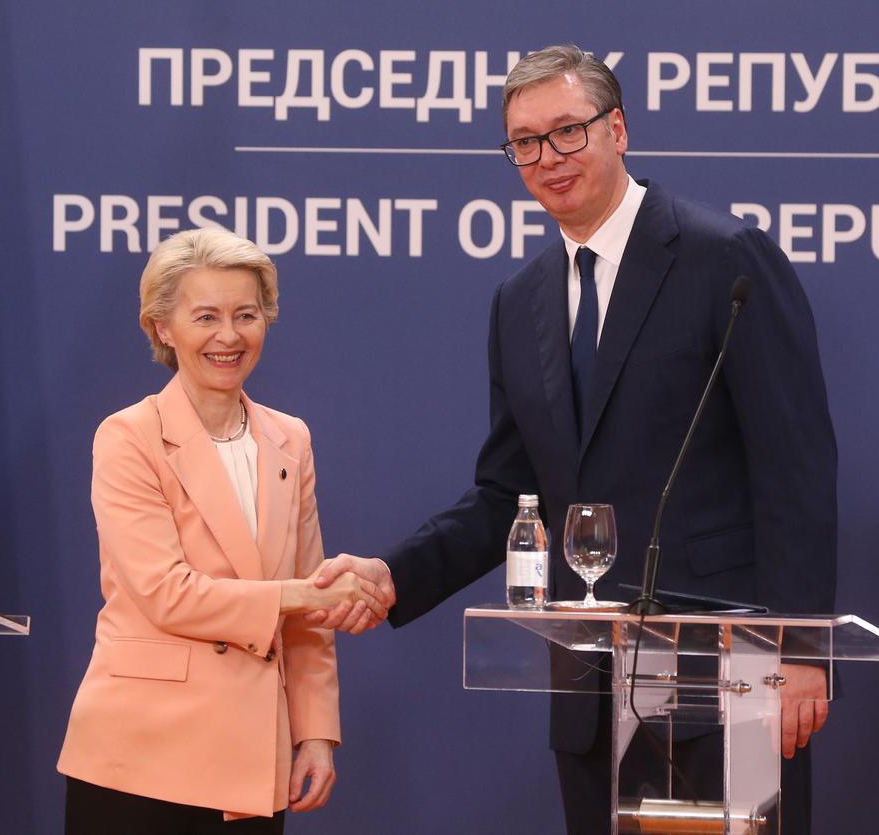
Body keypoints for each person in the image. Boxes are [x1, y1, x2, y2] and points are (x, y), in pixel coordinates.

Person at [313, 45, 839, 833]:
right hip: (594, 690)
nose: (547, 157)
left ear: (618, 128)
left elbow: (794, 462)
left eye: (568, 131)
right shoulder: (518, 300)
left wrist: (800, 648)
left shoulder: (720, 257)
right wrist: (395, 574)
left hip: (728, 676)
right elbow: (507, 494)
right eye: (525, 141)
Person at [58, 227, 386, 833]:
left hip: (252, 755)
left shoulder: (291, 438)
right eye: (205, 316)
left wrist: (315, 733)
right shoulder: (128, 436)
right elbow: (168, 593)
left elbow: (310, 618)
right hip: (139, 753)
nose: (229, 336)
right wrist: (305, 594)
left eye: (247, 314)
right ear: (162, 327)